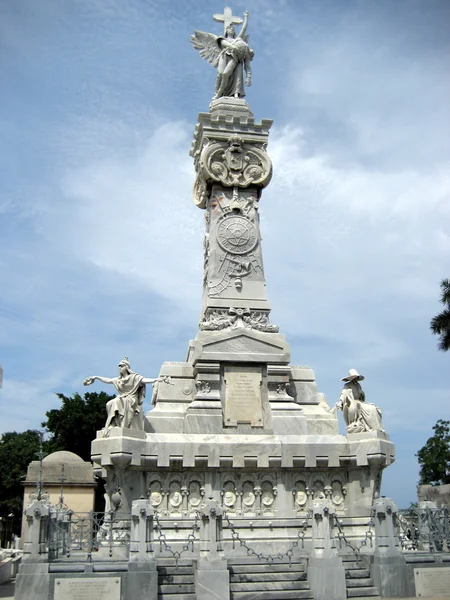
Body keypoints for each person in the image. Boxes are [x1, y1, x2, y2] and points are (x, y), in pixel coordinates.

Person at [83, 358, 170, 434]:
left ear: (126, 367)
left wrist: (158, 379)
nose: (119, 368)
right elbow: (108, 380)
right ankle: (113, 424)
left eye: (121, 366)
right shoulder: (119, 380)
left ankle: (120, 425)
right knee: (109, 403)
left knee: (118, 401)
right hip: (123, 398)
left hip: (132, 399)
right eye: (119, 366)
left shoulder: (134, 377)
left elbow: (144, 380)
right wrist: (96, 377)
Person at [213, 12, 253, 99]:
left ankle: (228, 93)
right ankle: (218, 92)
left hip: (234, 59)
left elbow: (243, 28)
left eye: (233, 28)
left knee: (227, 74)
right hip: (224, 57)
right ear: (226, 30)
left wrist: (246, 17)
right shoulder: (222, 39)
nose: (231, 29)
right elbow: (224, 43)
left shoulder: (238, 40)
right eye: (229, 28)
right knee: (220, 73)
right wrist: (232, 47)